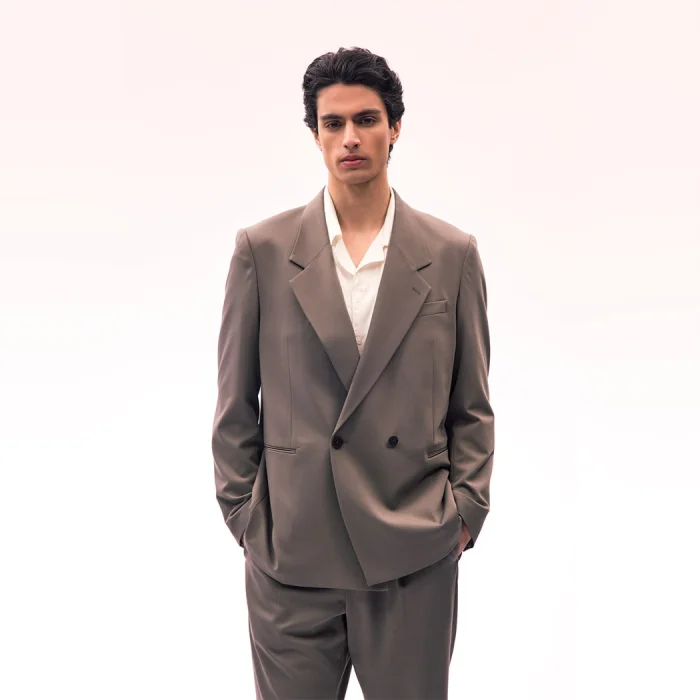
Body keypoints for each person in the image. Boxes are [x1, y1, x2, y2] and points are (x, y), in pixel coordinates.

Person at [212, 46, 495, 700]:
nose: (350, 138)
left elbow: (472, 404)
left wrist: (464, 513)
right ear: (314, 135)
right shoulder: (263, 250)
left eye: (366, 120)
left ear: (394, 128)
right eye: (332, 123)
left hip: (412, 551)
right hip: (293, 555)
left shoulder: (451, 254)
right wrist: (249, 519)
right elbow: (234, 405)